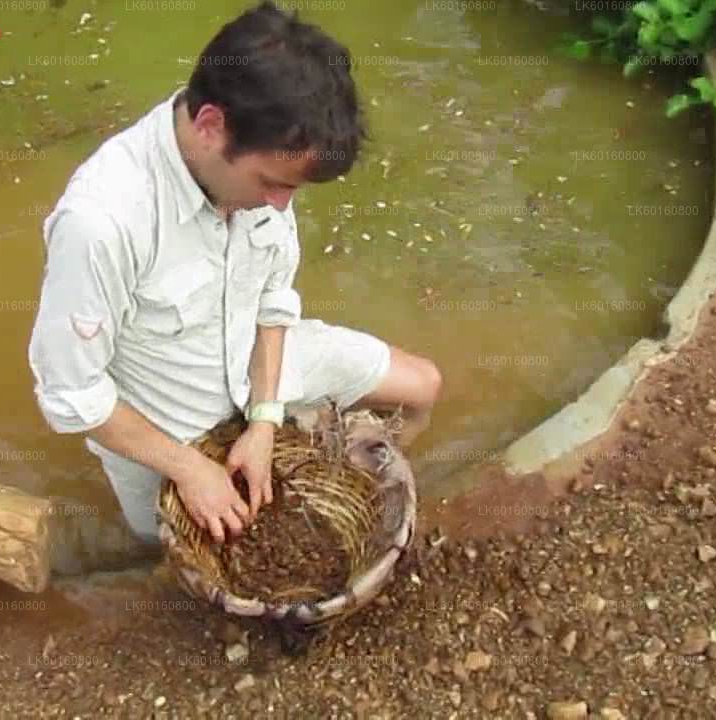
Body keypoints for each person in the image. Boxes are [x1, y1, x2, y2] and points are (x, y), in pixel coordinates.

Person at [27, 1, 441, 546]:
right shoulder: (102, 223)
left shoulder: (261, 160)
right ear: (210, 127)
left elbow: (272, 303)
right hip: (168, 425)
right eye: (273, 183)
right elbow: (71, 393)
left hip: (258, 367)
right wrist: (191, 469)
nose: (281, 204)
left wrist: (265, 421)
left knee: (423, 388)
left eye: (293, 188)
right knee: (167, 551)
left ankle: (349, 484)